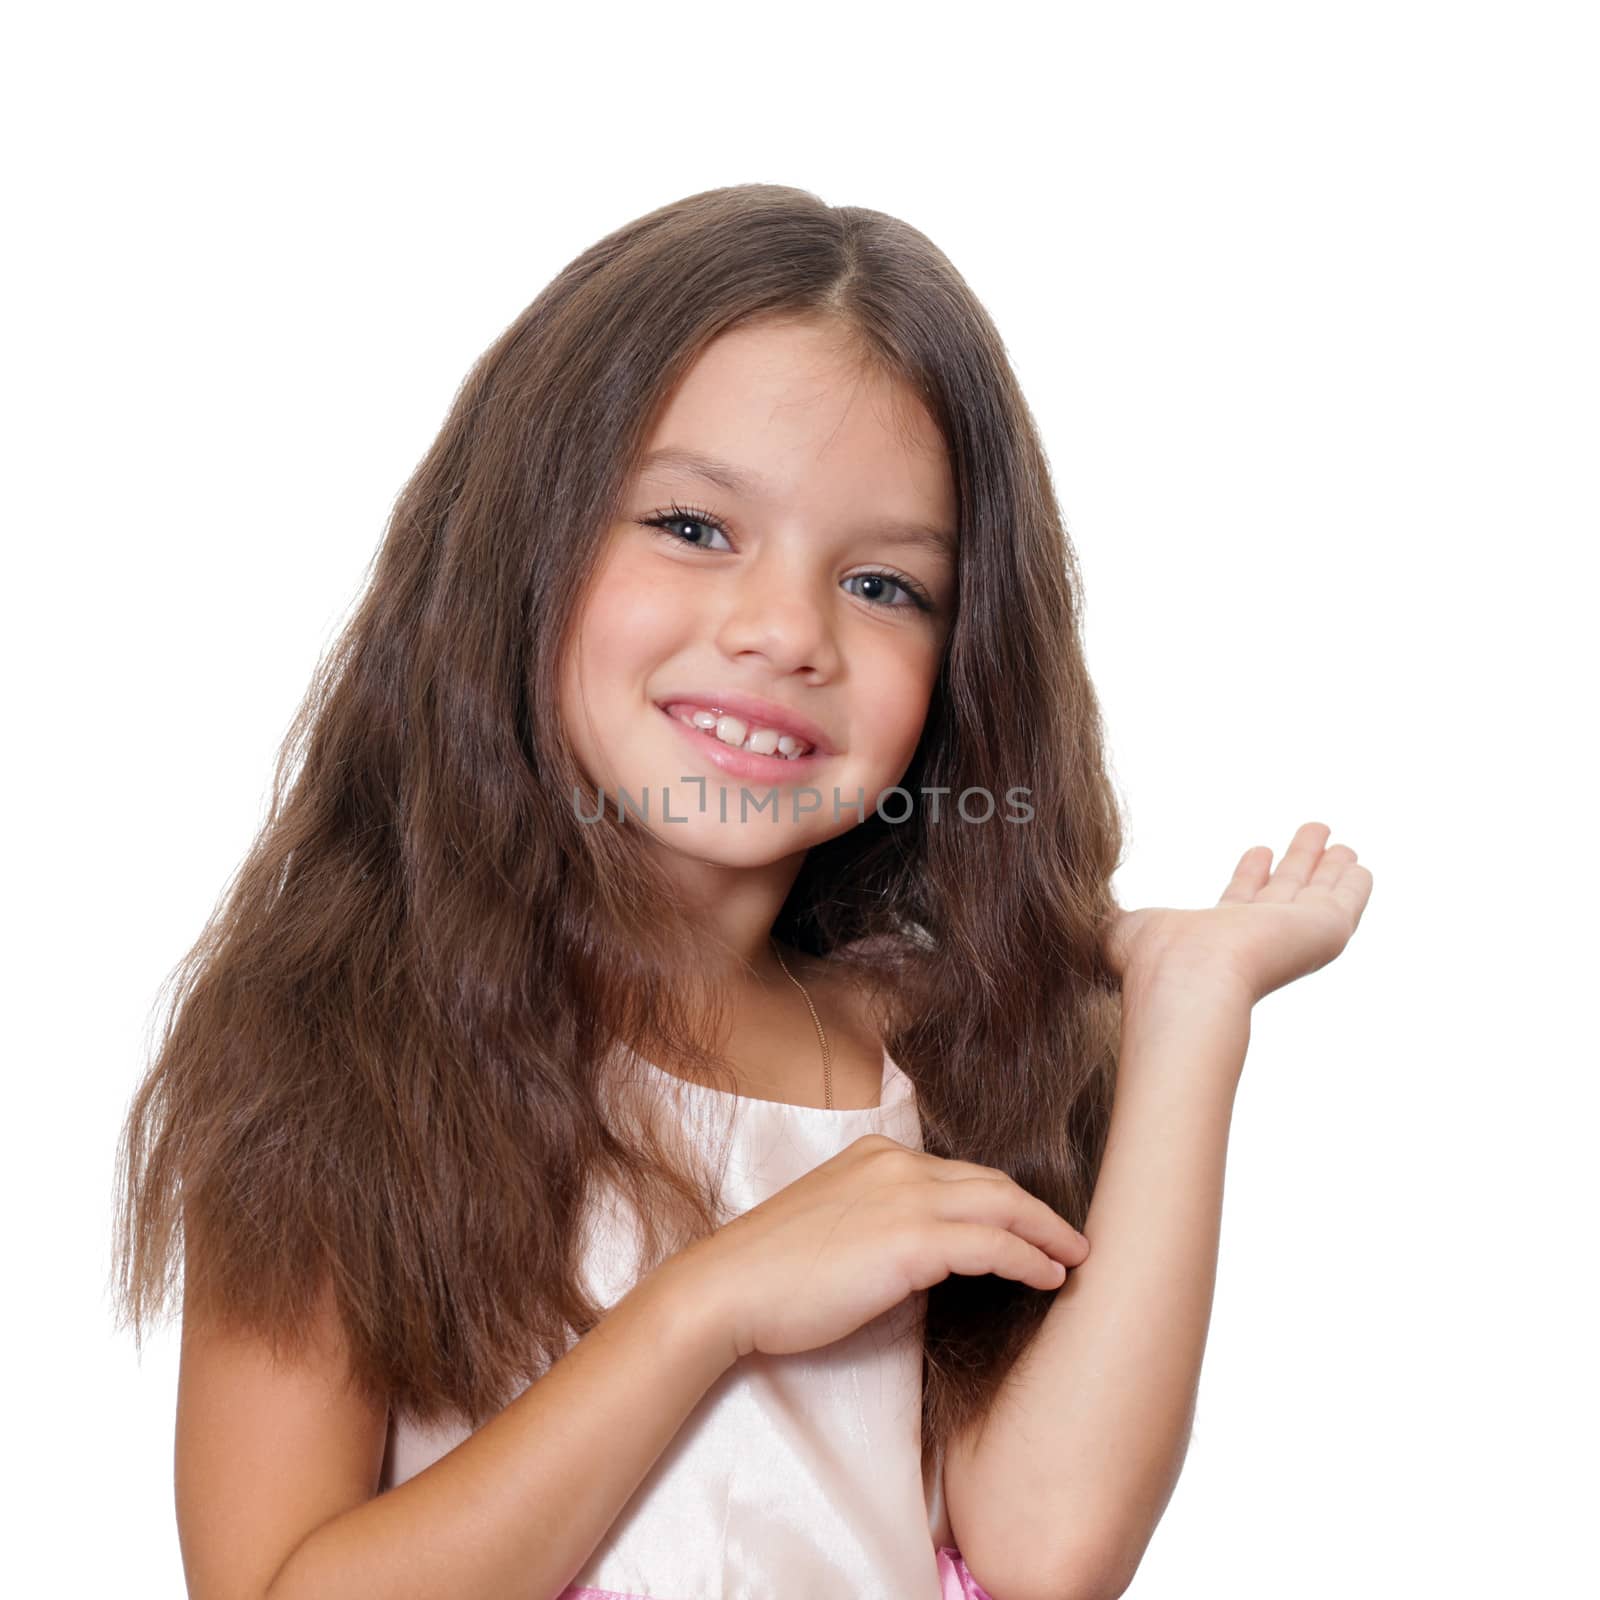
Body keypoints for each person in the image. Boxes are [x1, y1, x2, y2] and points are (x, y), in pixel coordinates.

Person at [110, 183, 1372, 1600]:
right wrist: (711, 1304)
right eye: (695, 527)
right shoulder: (345, 1044)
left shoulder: (928, 1058)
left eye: (886, 585)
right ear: (525, 539)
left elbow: (1048, 1546)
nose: (785, 633)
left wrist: (1191, 1011)